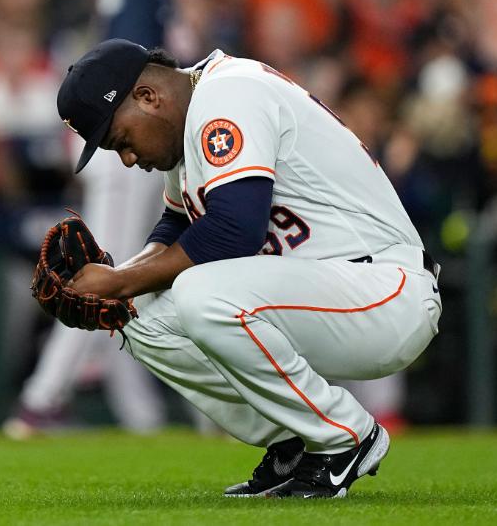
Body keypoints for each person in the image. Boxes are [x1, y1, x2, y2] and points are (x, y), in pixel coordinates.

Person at [54, 39, 442, 498]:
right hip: (324, 291)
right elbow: (177, 225)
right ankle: (295, 444)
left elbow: (234, 229)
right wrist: (115, 287)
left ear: (147, 97)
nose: (128, 158)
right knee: (139, 314)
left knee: (201, 292)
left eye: (119, 140)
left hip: (384, 288)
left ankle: (345, 436)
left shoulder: (228, 94)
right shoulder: (192, 116)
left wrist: (118, 280)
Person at [4, 0, 231, 438]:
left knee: (138, 285)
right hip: (124, 151)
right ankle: (40, 403)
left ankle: (144, 419)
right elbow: (129, 93)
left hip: (126, 151)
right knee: (107, 276)